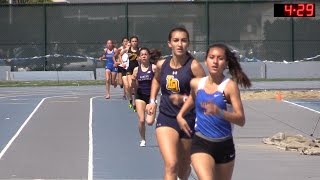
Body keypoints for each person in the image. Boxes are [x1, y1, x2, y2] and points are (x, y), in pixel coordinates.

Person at [176, 43, 252, 180]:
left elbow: (241, 119)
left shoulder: (229, 87)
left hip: (224, 145)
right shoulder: (196, 83)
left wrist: (219, 112)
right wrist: (181, 115)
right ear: (206, 60)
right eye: (212, 57)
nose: (215, 61)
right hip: (201, 142)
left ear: (226, 63)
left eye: (220, 58)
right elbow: (194, 98)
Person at [146, 27, 206, 180]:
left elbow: (206, 93)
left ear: (188, 44)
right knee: (171, 164)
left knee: (183, 167)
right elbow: (156, 80)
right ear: (169, 44)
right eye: (176, 40)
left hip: (188, 120)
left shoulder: (194, 67)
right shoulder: (162, 65)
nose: (180, 44)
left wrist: (184, 99)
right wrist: (152, 101)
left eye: (184, 40)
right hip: (166, 119)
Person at [132, 47, 157, 147]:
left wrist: (154, 99)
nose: (144, 56)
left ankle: (151, 114)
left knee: (149, 122)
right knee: (142, 120)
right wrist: (133, 80)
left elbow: (158, 82)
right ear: (139, 57)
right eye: (142, 54)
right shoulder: (136, 70)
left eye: (145, 54)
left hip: (151, 97)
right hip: (140, 96)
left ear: (149, 56)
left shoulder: (154, 68)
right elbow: (133, 87)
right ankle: (143, 139)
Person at [126, 35, 140, 111]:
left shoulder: (140, 50)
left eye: (135, 41)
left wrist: (139, 59)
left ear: (137, 42)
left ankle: (135, 102)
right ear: (130, 42)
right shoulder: (127, 49)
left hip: (137, 69)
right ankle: (131, 100)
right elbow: (119, 54)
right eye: (133, 41)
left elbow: (142, 58)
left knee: (135, 87)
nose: (134, 43)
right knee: (129, 86)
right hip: (129, 69)